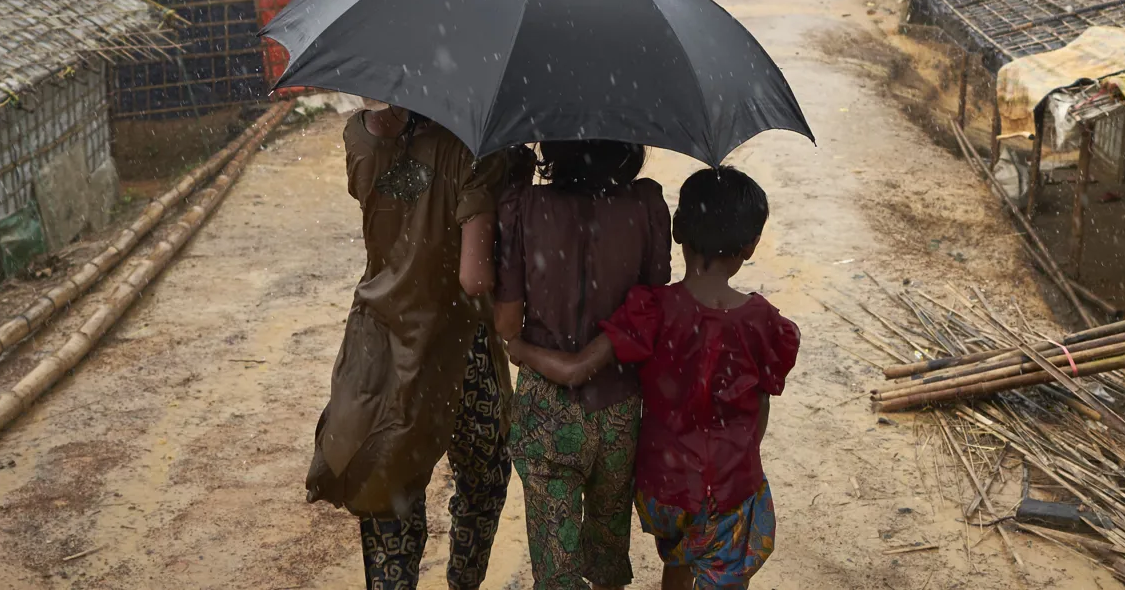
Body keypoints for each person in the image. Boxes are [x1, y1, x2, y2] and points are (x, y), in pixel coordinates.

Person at [510, 167, 798, 590]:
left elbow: (578, 368)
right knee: (727, 551)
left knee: (681, 550)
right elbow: (762, 405)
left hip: (663, 489)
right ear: (751, 245)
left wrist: (519, 348)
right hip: (728, 484)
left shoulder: (652, 310)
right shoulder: (766, 324)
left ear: (678, 230)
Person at [308, 101, 531, 590]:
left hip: (378, 344)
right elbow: (473, 280)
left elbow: (392, 197)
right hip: (458, 353)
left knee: (387, 486)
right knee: (483, 478)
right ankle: (463, 579)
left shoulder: (358, 135)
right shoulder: (469, 154)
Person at [493, 140, 670, 590]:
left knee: (557, 566)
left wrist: (532, 348)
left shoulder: (524, 207)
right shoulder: (645, 205)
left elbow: (508, 322)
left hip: (545, 412)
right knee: (609, 543)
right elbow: (652, 302)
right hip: (618, 406)